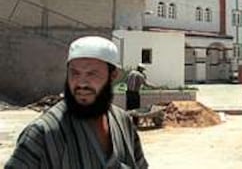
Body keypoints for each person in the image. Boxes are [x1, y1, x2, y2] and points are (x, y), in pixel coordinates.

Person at [5, 36, 148, 168]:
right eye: (75, 73)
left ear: (113, 76)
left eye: (92, 74)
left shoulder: (123, 122)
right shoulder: (43, 133)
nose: (82, 83)